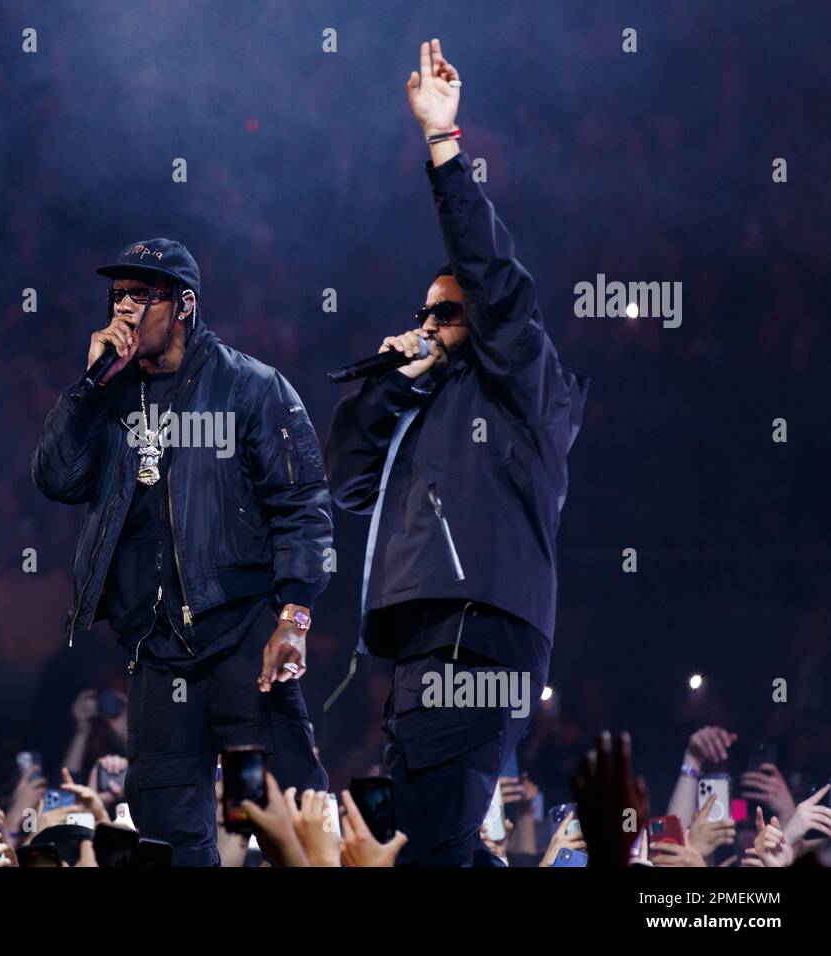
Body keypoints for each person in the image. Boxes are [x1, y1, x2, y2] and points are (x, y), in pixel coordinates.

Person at [323, 40, 589, 866]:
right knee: (420, 840)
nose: (431, 325)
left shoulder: (520, 387)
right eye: (425, 313)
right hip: (421, 643)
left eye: (449, 315)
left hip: (483, 639)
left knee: (431, 841)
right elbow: (350, 486)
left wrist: (444, 148)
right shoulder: (425, 404)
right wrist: (388, 385)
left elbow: (493, 274)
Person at [32, 238, 331, 865]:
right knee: (166, 832)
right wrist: (87, 386)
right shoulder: (111, 397)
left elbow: (303, 507)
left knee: (285, 809)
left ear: (185, 303)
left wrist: (295, 617)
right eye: (117, 295)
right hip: (156, 648)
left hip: (242, 636)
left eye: (144, 295)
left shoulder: (250, 387)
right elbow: (55, 478)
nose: (126, 309)